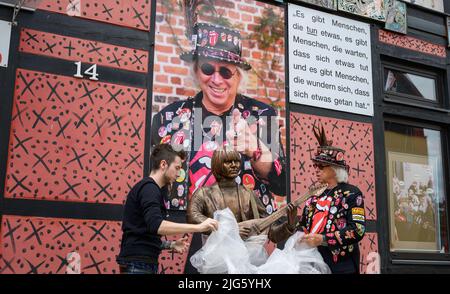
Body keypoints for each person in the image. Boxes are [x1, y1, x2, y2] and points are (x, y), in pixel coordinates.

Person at [151, 22, 286, 213]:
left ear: (238, 76)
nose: (216, 79)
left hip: (245, 233)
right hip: (188, 232)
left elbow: (282, 185)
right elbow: (153, 183)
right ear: (197, 72)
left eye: (225, 71)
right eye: (207, 69)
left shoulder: (261, 115)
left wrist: (254, 148)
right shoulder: (168, 118)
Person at [116, 144, 219, 274]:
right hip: (138, 266)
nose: (179, 173)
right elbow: (157, 226)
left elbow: (143, 233)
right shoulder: (149, 189)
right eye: (177, 168)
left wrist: (170, 244)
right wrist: (198, 227)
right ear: (163, 164)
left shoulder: (152, 189)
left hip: (141, 263)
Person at [187, 147, 296, 243]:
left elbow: (271, 232)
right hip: (215, 260)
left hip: (245, 260)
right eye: (228, 162)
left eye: (236, 161)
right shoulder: (204, 193)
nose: (234, 165)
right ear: (217, 164)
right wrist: (228, 229)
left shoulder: (248, 194)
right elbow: (192, 217)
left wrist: (289, 225)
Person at [296, 125, 366, 274]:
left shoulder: (352, 193)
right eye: (315, 165)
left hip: (342, 267)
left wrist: (322, 239)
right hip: (313, 264)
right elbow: (303, 225)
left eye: (321, 166)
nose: (316, 169)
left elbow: (358, 230)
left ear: (335, 169)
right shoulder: (314, 194)